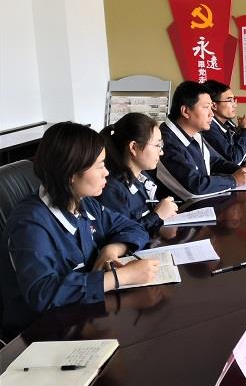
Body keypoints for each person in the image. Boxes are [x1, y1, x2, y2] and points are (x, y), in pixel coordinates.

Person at [0, 122, 157, 336]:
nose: (107, 172)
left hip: (82, 314)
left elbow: (132, 227)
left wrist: (111, 249)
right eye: (100, 166)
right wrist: (121, 277)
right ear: (71, 173)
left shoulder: (84, 202)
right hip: (40, 334)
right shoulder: (30, 224)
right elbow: (42, 293)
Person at [157, 80, 246, 199]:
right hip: (181, 208)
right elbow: (195, 187)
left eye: (211, 107)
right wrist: (233, 180)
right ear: (186, 111)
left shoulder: (194, 133)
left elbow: (213, 162)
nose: (212, 114)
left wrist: (241, 170)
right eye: (206, 107)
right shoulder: (165, 141)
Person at [98, 113, 179, 235]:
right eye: (157, 145)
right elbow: (121, 236)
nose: (161, 152)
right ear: (134, 147)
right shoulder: (112, 189)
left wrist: (164, 216)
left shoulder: (144, 177)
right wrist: (157, 216)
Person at [202, 80, 246, 165]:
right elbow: (234, 159)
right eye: (229, 101)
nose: (235, 105)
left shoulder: (227, 122)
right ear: (214, 106)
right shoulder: (209, 127)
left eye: (234, 100)